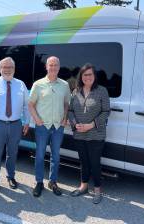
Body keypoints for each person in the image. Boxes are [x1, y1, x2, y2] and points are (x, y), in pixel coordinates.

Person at [0, 57, 30, 195]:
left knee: (12, 153)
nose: (7, 70)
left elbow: (27, 105)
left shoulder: (21, 85)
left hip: (16, 125)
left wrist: (27, 122)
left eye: (10, 67)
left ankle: (11, 177)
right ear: (0, 68)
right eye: (5, 67)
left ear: (14, 69)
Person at [28, 56, 71, 197]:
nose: (53, 67)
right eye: (50, 65)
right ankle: (39, 182)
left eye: (55, 65)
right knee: (40, 155)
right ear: (46, 67)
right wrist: (37, 120)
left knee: (56, 156)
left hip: (58, 126)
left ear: (59, 67)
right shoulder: (38, 84)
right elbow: (30, 104)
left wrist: (65, 118)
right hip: (42, 126)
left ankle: (53, 181)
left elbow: (66, 103)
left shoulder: (64, 85)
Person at [68, 63, 110, 204]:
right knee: (83, 162)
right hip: (79, 134)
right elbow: (70, 111)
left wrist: (91, 125)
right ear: (81, 76)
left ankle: (97, 190)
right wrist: (75, 124)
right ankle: (84, 186)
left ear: (94, 76)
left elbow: (106, 111)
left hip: (96, 134)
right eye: (85, 75)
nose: (88, 77)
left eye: (90, 74)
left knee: (94, 163)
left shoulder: (102, 91)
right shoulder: (76, 91)